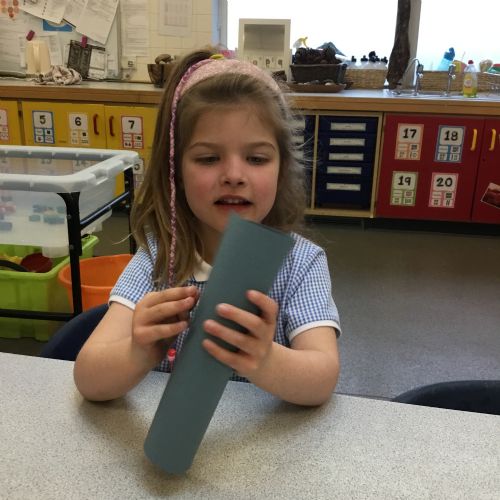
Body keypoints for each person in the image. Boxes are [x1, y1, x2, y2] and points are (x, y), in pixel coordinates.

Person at [74, 47, 341, 405]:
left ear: (281, 169)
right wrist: (138, 351)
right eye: (209, 158)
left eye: (256, 158)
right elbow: (89, 379)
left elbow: (322, 379)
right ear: (176, 173)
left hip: (262, 437)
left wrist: (266, 359)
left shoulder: (300, 264)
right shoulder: (159, 258)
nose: (233, 175)